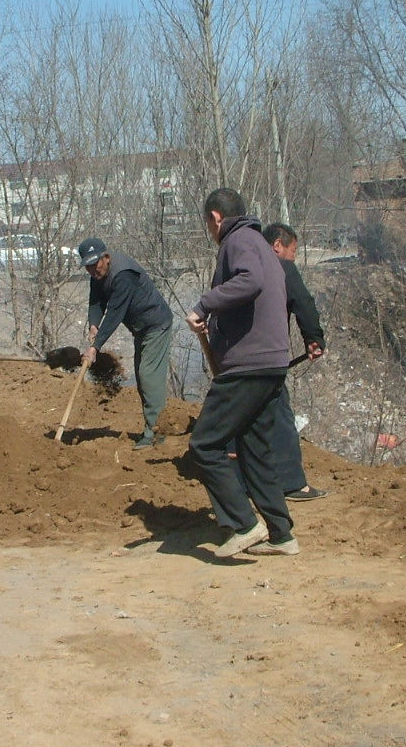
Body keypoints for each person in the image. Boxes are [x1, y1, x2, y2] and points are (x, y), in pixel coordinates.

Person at [184, 188, 295, 558]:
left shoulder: (238, 241)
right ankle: (282, 535)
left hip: (249, 366)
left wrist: (204, 304)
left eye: (208, 224)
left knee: (204, 444)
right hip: (271, 363)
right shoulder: (262, 244)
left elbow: (249, 282)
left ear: (216, 218)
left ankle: (246, 525)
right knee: (254, 448)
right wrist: (213, 326)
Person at [78, 236, 174, 448]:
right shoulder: (97, 275)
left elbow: (115, 313)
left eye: (96, 265)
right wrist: (94, 324)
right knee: (143, 379)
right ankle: (155, 428)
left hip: (156, 324)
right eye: (88, 267)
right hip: (141, 328)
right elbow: (96, 302)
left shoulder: (123, 274)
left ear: (107, 258)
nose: (93, 271)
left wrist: (96, 346)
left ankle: (155, 433)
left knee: (148, 376)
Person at [262, 223, 328, 501]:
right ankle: (292, 485)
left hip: (233, 359)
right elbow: (303, 302)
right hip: (265, 359)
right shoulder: (281, 268)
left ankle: (242, 482)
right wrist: (313, 338)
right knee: (281, 415)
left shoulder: (240, 265)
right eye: (293, 250)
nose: (294, 257)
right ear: (278, 246)